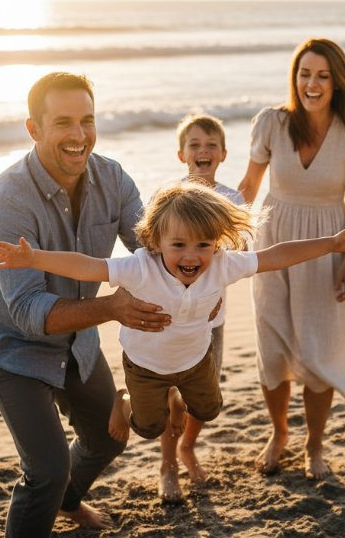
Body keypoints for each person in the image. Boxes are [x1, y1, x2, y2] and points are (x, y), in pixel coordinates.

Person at [0, 182, 345, 490]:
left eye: (203, 245)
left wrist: (332, 244)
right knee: (148, 428)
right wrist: (34, 258)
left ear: (217, 243)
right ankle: (124, 399)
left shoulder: (222, 265)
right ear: (156, 242)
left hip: (195, 360)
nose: (192, 256)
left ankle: (177, 398)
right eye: (179, 245)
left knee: (209, 410)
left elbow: (276, 256)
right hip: (145, 366)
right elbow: (88, 267)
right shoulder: (139, 267)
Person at [0, 71, 172, 538]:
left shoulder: (113, 179)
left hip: (78, 339)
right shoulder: (6, 202)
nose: (79, 135)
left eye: (87, 120)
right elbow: (28, 311)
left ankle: (67, 502)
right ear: (33, 129)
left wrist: (199, 271)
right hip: (10, 347)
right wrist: (114, 308)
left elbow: (152, 251)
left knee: (106, 438)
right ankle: (54, 493)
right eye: (63, 122)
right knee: (47, 470)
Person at [237, 38, 345, 480]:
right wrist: (226, 235)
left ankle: (314, 445)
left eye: (321, 76)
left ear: (338, 82)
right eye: (304, 74)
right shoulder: (271, 123)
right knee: (272, 349)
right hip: (272, 244)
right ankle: (279, 433)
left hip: (327, 246)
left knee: (317, 351)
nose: (311, 84)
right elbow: (248, 188)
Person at [153, 113, 245, 501]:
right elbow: (151, 252)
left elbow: (240, 253)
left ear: (223, 154)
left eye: (210, 145)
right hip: (170, 318)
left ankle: (188, 446)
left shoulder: (232, 200)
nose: (202, 151)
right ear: (181, 154)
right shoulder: (167, 197)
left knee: (203, 395)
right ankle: (168, 465)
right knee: (169, 393)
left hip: (211, 318)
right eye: (194, 145)